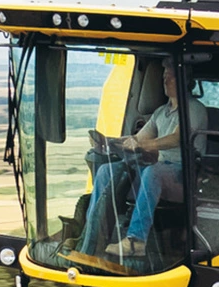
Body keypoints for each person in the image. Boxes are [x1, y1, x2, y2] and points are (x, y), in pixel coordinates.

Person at [78, 59, 206, 264]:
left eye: (170, 75)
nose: (165, 78)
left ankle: (136, 241)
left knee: (152, 172)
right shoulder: (161, 113)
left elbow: (178, 138)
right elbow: (139, 139)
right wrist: (111, 142)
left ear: (185, 80)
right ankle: (92, 237)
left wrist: (145, 146)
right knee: (106, 170)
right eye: (164, 74)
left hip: (185, 176)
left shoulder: (194, 109)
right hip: (160, 173)